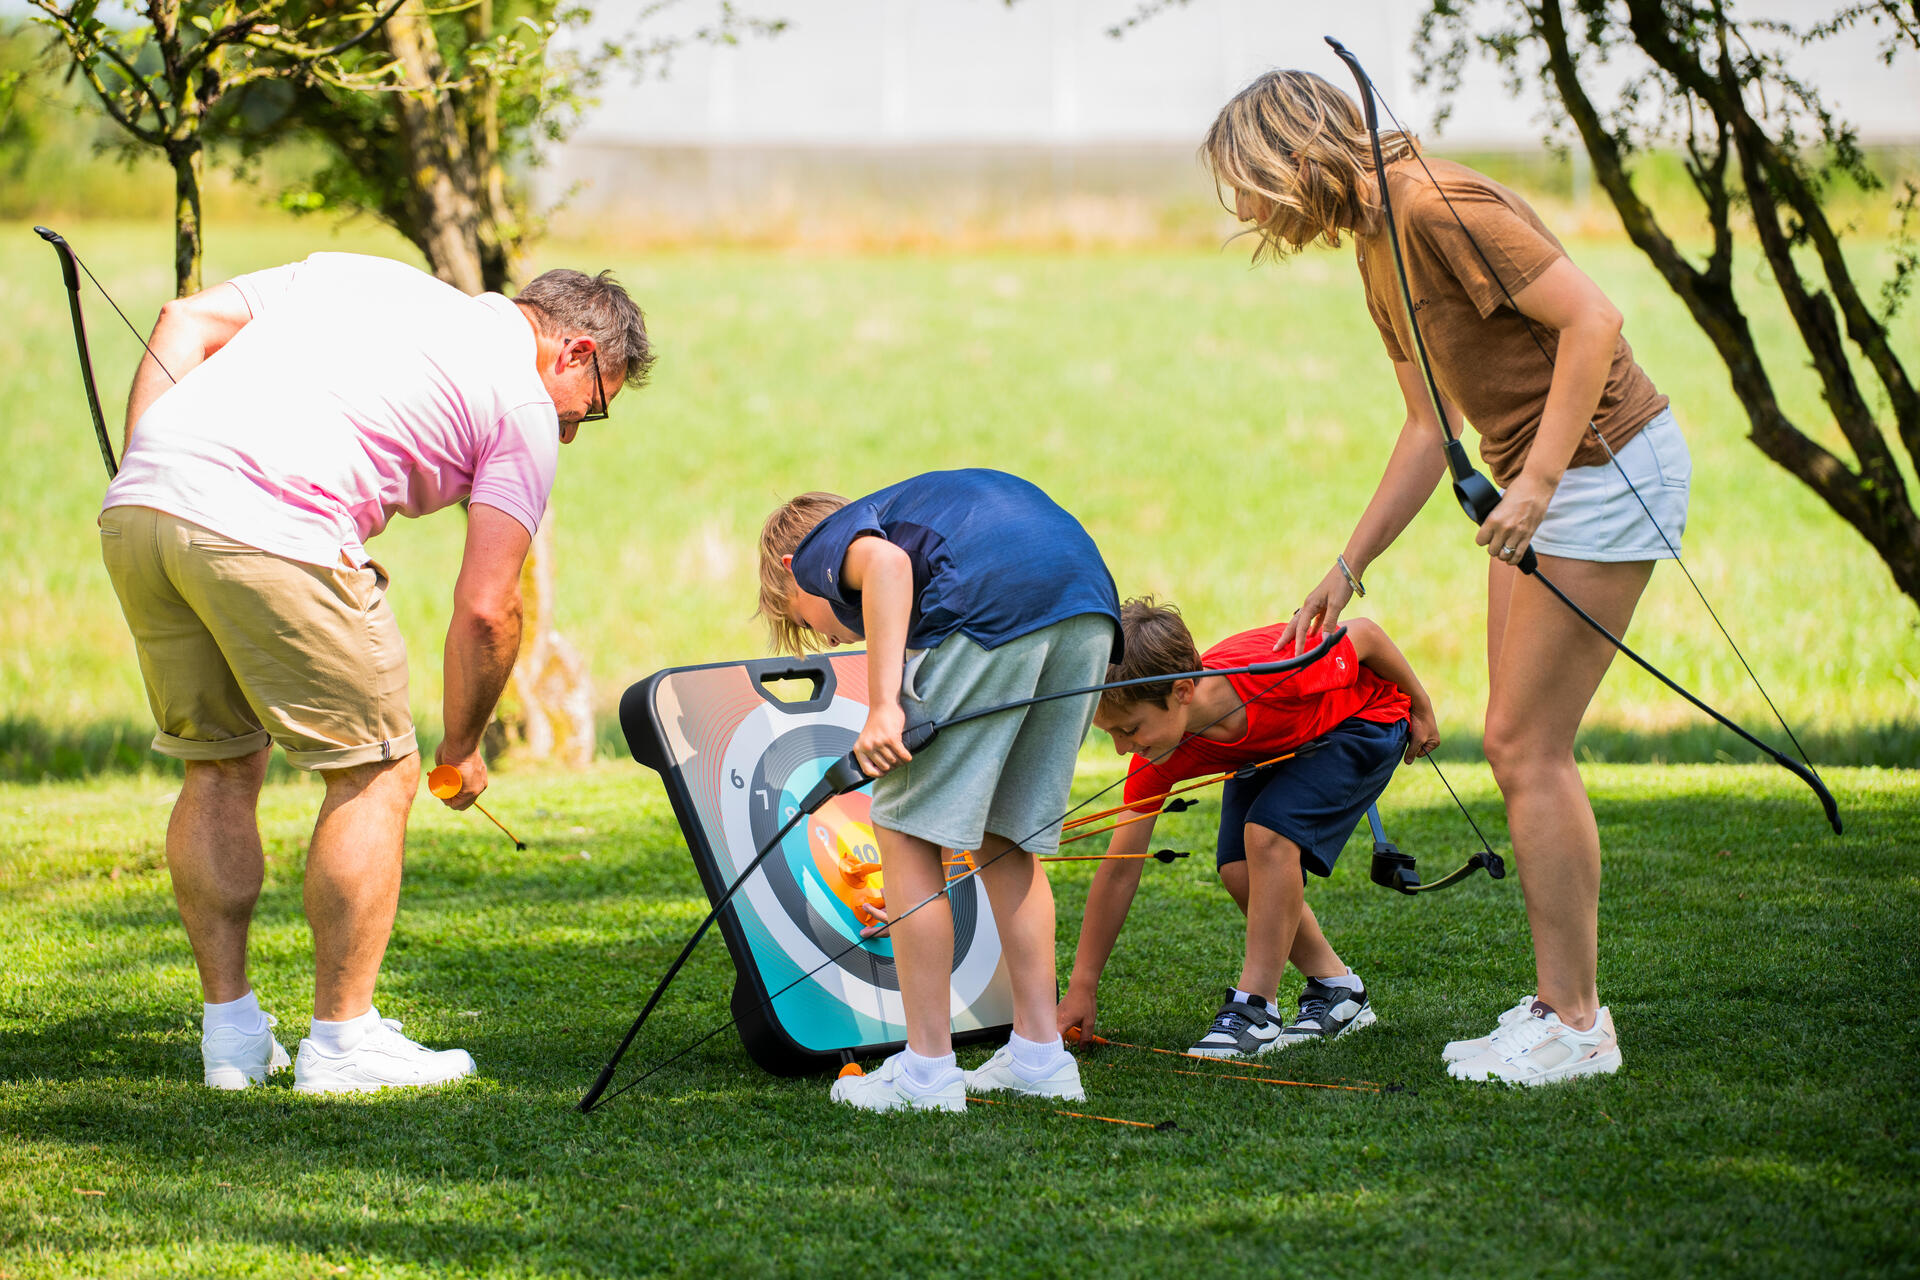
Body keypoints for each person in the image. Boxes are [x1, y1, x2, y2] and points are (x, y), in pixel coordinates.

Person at [1202, 70, 1690, 1084]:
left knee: (1524, 744)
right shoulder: (1376, 247)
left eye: (1246, 186)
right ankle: (1561, 1002)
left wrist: (1540, 481)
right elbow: (1432, 426)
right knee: (1519, 743)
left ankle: (1578, 1021)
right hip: (1547, 483)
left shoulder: (1437, 205)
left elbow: (1592, 321)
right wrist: (1351, 564)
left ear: (1292, 160)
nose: (1245, 213)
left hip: (1606, 467)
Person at [97, 252, 652, 1094]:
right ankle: (343, 1041)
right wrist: (461, 748)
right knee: (378, 772)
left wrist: (156, 465)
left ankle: (233, 1040)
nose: (572, 430)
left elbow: (182, 321)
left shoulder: (366, 275)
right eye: (594, 408)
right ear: (574, 352)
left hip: (141, 506)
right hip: (265, 524)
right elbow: (487, 609)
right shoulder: (526, 404)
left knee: (219, 763)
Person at [756, 469, 1122, 1112]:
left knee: (902, 831)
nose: (837, 636)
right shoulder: (899, 513)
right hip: (1086, 605)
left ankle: (927, 1071)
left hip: (989, 609)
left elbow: (889, 571)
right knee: (1006, 838)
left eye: (809, 622)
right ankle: (1041, 1054)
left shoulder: (819, 548)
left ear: (794, 571)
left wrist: (883, 707)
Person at [1056, 598, 1437, 1059]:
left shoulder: (1275, 671)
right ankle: (1339, 991)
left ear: (1181, 692)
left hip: (1367, 719)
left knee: (1267, 835)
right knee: (1238, 868)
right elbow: (1119, 869)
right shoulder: (1157, 754)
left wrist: (1422, 707)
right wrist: (1082, 985)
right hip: (1281, 749)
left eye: (1130, 729)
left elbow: (1368, 635)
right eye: (1110, 733)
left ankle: (1256, 1008)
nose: (1121, 749)